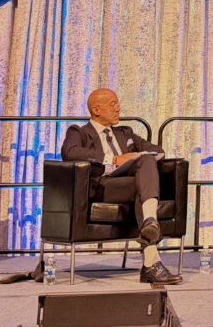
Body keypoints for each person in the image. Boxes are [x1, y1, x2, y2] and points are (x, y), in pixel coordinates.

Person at [61, 87, 182, 285]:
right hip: (102, 185)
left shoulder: (125, 132)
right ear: (96, 110)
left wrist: (137, 158)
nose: (118, 108)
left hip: (130, 184)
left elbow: (157, 150)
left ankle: (151, 245)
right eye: (113, 104)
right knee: (144, 176)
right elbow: (70, 152)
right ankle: (151, 245)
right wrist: (115, 159)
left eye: (117, 104)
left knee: (145, 164)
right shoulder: (79, 132)